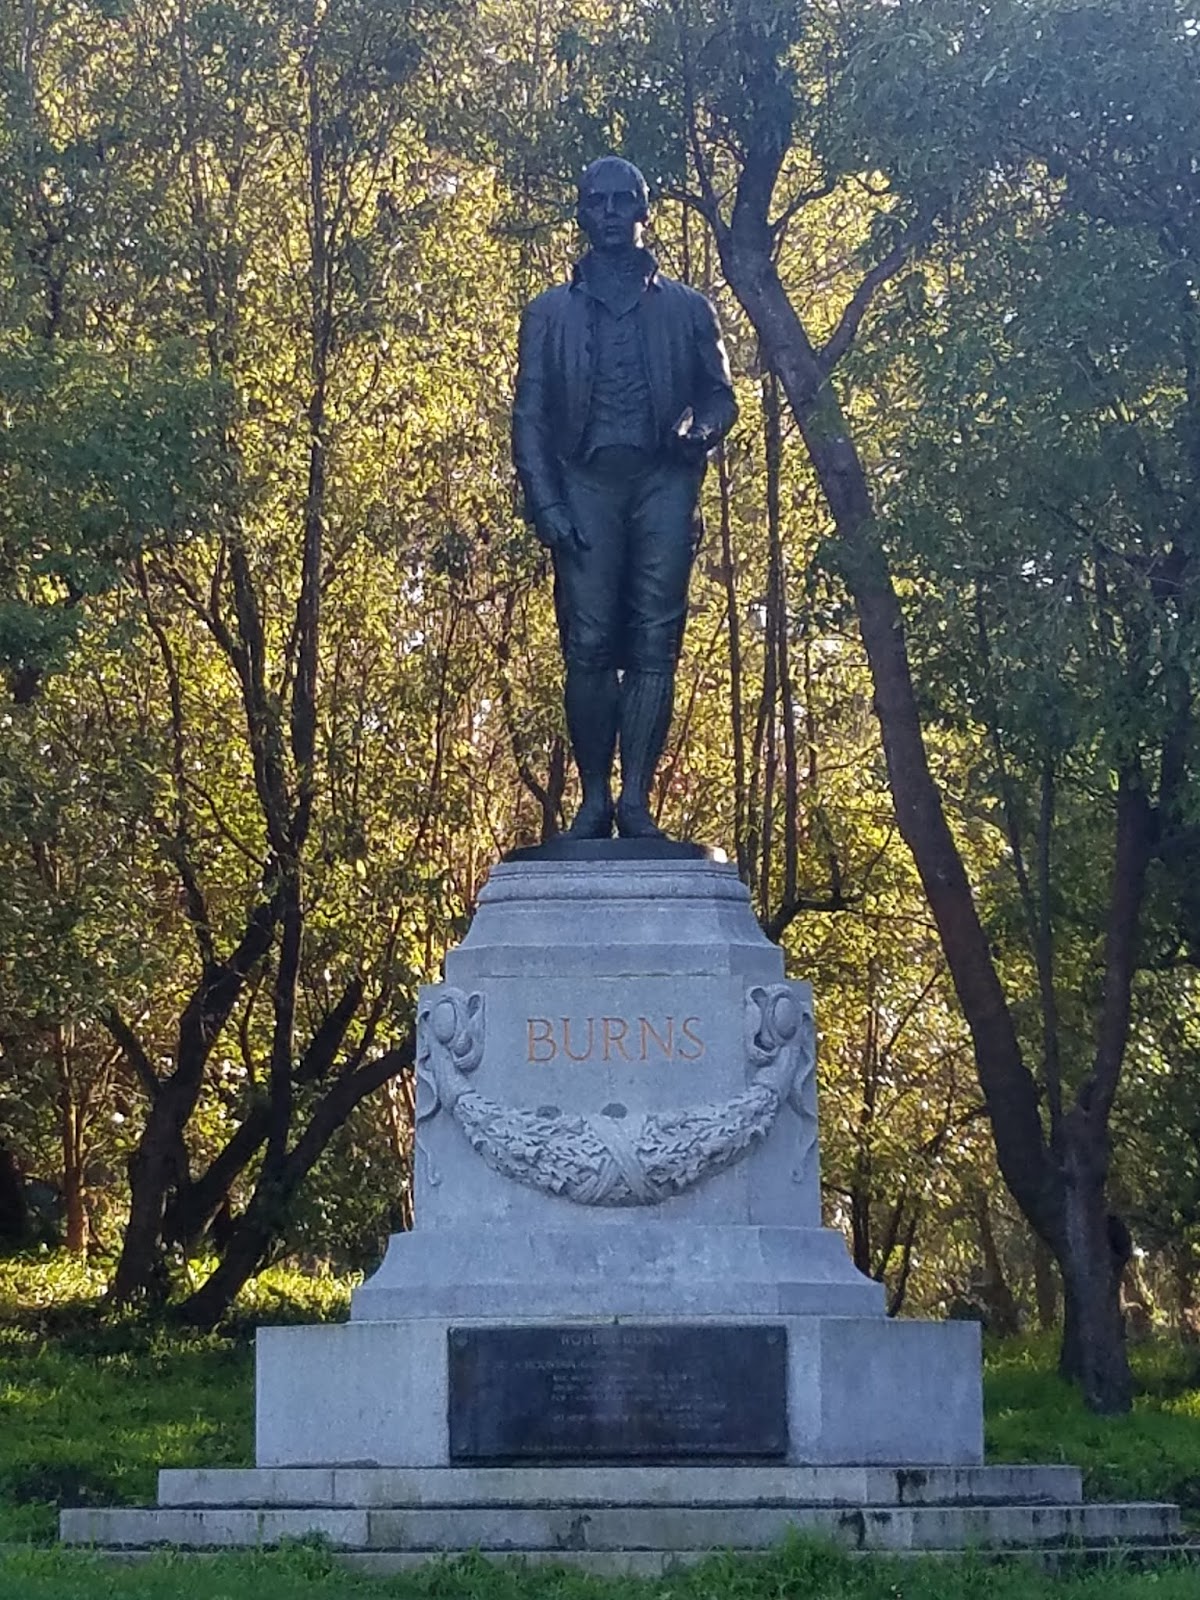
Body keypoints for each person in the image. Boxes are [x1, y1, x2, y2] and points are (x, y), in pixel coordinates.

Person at [512, 155, 738, 840]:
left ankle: (635, 798)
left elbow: (721, 395)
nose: (609, 213)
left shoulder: (689, 309)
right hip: (584, 487)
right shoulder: (548, 313)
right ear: (581, 213)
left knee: (653, 639)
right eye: (596, 202)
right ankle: (593, 799)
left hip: (662, 484)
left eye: (622, 201)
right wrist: (546, 504)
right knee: (586, 643)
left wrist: (699, 429)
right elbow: (529, 417)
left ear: (644, 213)